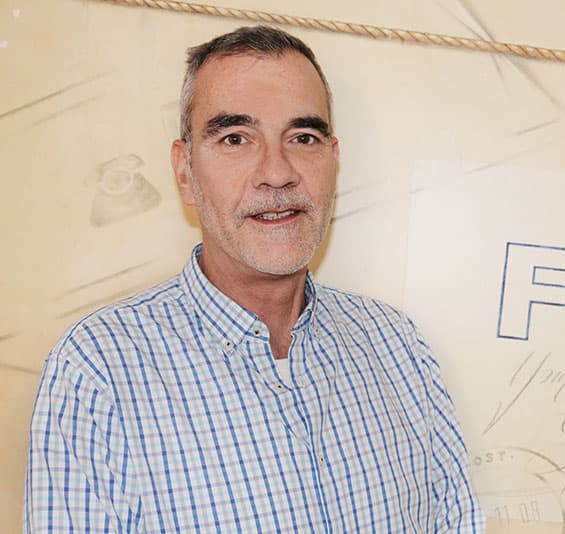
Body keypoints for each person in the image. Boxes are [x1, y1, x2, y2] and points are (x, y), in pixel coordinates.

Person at [24, 25, 484, 532]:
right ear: (184, 171)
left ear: (333, 161)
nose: (277, 172)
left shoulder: (398, 348)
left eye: (303, 138)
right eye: (235, 139)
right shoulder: (98, 371)